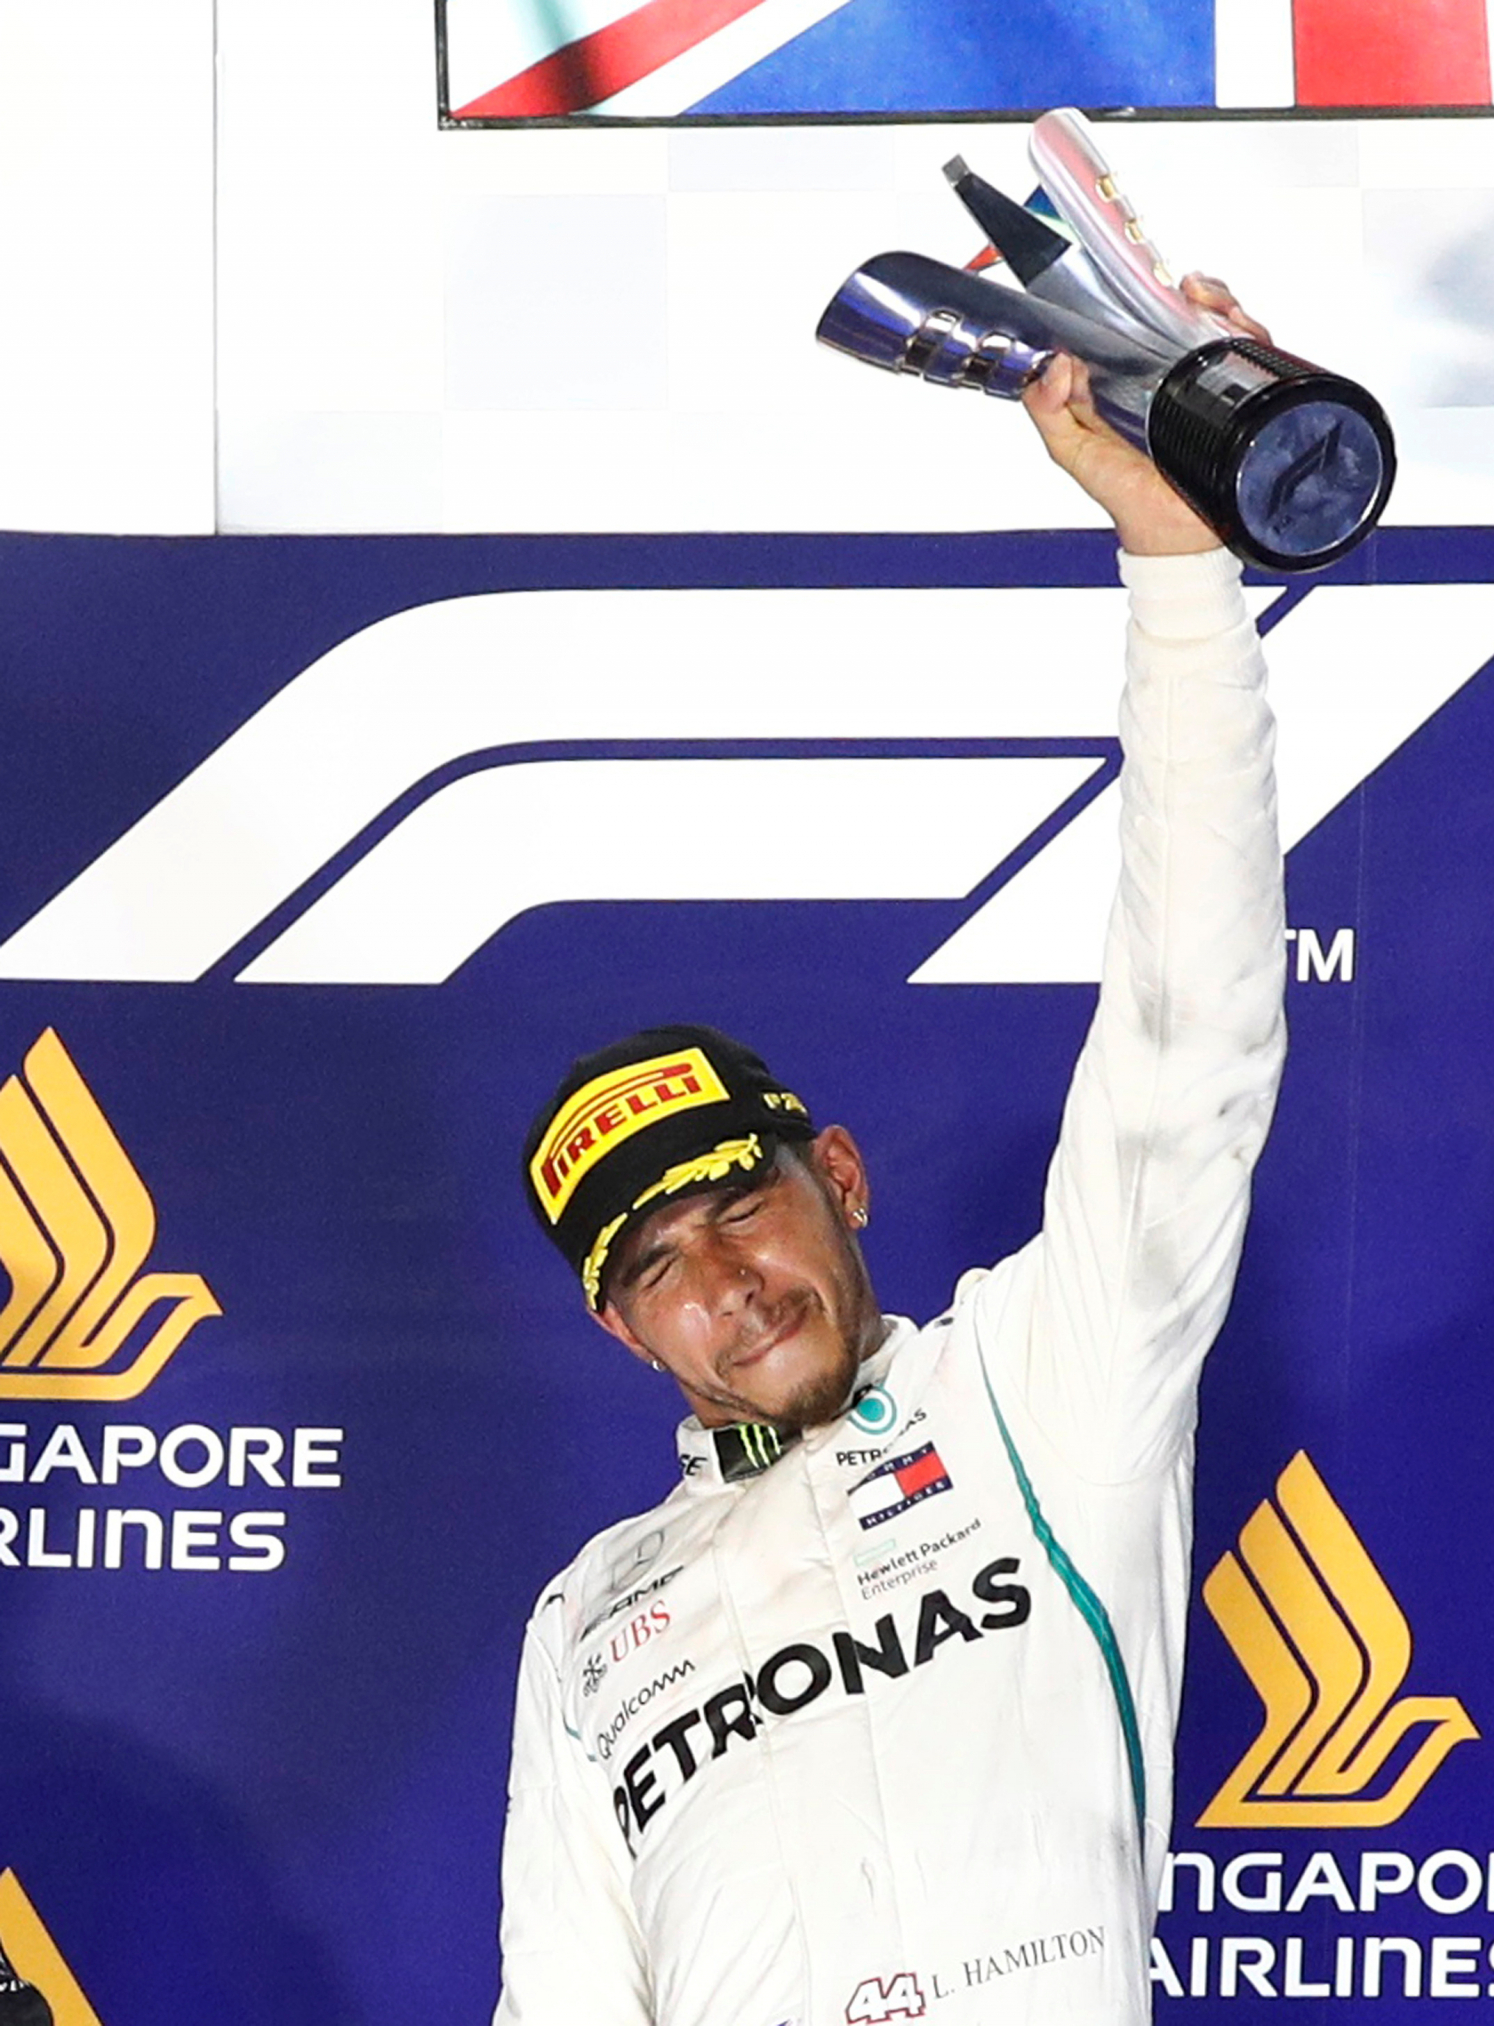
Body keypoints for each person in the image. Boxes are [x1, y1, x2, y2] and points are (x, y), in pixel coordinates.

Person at [495, 278, 1287, 2026]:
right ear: (626, 1335)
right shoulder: (586, 1629)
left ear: (838, 1178)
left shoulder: (1038, 1392)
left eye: (737, 1206)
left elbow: (1189, 1035)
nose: (723, 1284)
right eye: (653, 1272)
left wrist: (1173, 565)